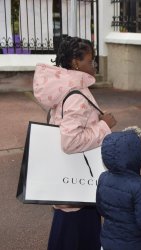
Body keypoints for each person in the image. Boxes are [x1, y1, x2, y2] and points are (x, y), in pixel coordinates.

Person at [33, 36, 117, 250]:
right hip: (79, 190)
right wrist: (103, 126)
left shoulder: (65, 88)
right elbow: (70, 141)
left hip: (68, 185)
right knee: (78, 238)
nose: (94, 65)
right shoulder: (77, 95)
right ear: (75, 62)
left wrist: (94, 121)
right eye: (91, 61)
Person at [96, 128, 141, 250]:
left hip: (108, 241)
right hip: (134, 244)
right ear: (137, 156)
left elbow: (101, 208)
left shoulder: (103, 177)